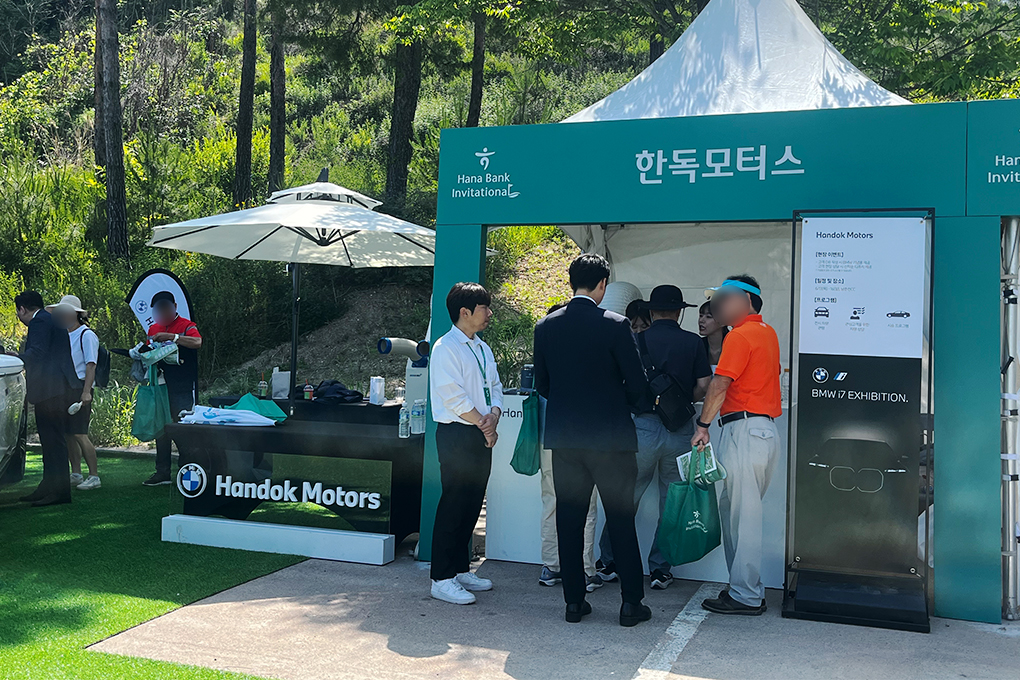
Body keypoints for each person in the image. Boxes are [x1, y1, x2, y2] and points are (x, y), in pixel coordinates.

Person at [534, 253, 652, 627]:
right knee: (620, 520)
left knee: (569, 520)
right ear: (602, 284)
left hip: (566, 440)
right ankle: (631, 604)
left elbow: (543, 385)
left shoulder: (545, 326)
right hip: (612, 439)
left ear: (572, 282)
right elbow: (637, 385)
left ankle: (574, 602)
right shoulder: (616, 325)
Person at [596, 285, 712, 590]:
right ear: (679, 312)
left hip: (643, 429)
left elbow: (619, 382)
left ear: (651, 311)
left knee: (625, 498)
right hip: (681, 429)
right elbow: (704, 385)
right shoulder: (692, 342)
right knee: (672, 503)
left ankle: (609, 561)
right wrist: (682, 402)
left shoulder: (636, 340)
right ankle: (660, 569)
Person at [692, 275, 782, 616]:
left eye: (725, 298)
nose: (718, 304)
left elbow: (720, 384)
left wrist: (702, 425)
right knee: (740, 512)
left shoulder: (740, 335)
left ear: (747, 300)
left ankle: (746, 594)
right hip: (759, 430)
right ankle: (743, 589)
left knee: (742, 516)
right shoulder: (767, 333)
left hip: (744, 429)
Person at [428, 282, 504, 605]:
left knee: (473, 502)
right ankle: (441, 577)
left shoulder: (482, 348)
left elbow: (495, 386)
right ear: (465, 312)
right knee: (454, 502)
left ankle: (460, 569)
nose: (489, 313)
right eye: (484, 308)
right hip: (457, 434)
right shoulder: (445, 347)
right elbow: (453, 397)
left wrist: (494, 415)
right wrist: (484, 424)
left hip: (480, 432)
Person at [537, 302, 602, 593]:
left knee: (552, 499)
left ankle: (552, 565)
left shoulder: (545, 345)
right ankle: (585, 569)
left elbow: (542, 386)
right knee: (585, 504)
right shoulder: (587, 352)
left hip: (551, 435)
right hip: (585, 437)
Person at [12, 291, 82, 506]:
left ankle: (59, 491)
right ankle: (48, 486)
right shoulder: (50, 319)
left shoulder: (39, 322)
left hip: (50, 389)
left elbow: (38, 352)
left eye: (18, 312)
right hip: (57, 388)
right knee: (51, 440)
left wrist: (17, 358)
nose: (19, 317)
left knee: (53, 441)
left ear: (22, 309)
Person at [143, 291, 202, 486]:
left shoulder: (187, 325)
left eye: (166, 307)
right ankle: (162, 472)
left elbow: (197, 342)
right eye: (159, 309)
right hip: (159, 384)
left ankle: (188, 471)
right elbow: (149, 351)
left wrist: (173, 337)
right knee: (162, 428)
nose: (163, 312)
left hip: (182, 385)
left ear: (174, 307)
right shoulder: (153, 328)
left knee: (182, 427)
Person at [47, 295, 101, 490]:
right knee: (69, 434)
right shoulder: (64, 334)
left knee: (79, 433)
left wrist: (86, 392)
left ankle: (94, 476)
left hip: (79, 387)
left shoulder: (86, 335)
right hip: (66, 386)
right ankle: (76, 473)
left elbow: (91, 364)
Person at [699, 300, 728, 369]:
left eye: (708, 317)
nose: (701, 320)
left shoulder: (733, 345)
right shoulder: (698, 345)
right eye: (701, 315)